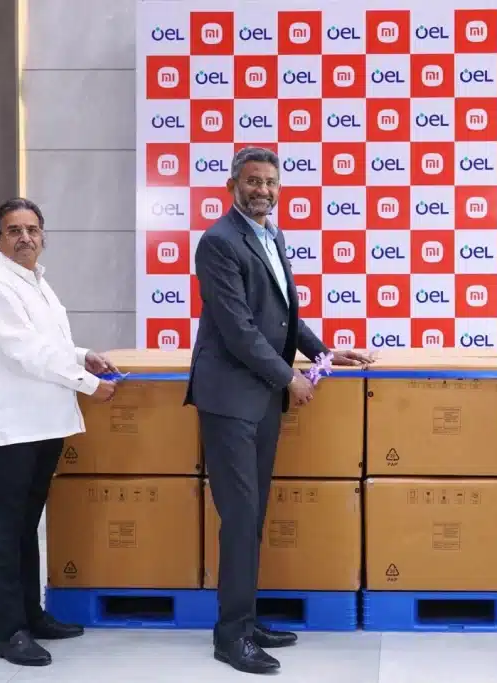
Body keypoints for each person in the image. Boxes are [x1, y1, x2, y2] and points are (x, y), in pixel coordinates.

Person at [184, 147, 372, 674]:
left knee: (253, 515)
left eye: (269, 181)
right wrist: (289, 376)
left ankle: (246, 620)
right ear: (232, 186)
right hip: (229, 400)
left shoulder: (272, 235)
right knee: (240, 517)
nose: (262, 190)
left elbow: (283, 315)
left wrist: (323, 353)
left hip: (261, 398)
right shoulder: (219, 242)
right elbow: (238, 327)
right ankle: (231, 637)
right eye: (252, 181)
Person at [0, 197, 118, 667]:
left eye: (32, 229)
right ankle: (7, 632)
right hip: (4, 429)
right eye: (14, 230)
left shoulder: (37, 282)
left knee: (25, 528)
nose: (25, 237)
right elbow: (26, 350)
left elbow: (51, 343)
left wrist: (83, 355)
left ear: (43, 236)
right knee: (3, 534)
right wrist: (86, 384)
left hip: (40, 424)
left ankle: (31, 615)